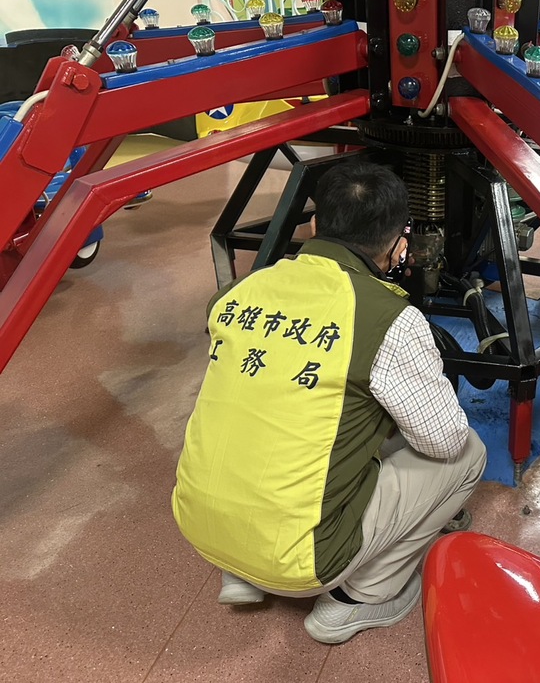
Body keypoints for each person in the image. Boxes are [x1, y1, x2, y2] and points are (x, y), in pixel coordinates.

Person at [172, 161, 486, 643]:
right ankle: (357, 601)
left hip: (198, 525)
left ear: (315, 225)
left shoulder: (238, 292)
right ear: (399, 244)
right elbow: (443, 441)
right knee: (467, 453)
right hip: (304, 560)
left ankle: (240, 571)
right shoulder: (390, 320)